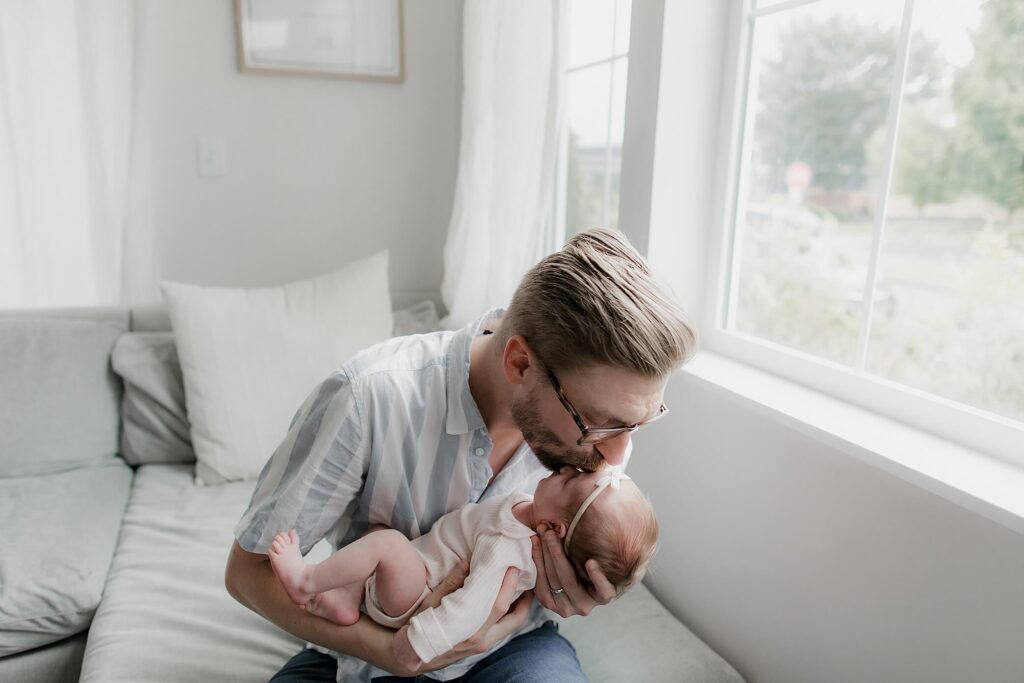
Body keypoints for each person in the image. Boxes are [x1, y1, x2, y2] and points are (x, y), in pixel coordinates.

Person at [225, 228, 697, 681]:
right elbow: (247, 574)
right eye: (600, 423)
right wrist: (389, 652)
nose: (617, 454)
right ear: (519, 364)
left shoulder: (598, 452)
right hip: (366, 648)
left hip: (510, 651)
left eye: (640, 420)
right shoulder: (367, 398)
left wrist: (567, 591)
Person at [267, 466, 657, 672]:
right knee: (379, 532)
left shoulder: (508, 547)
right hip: (418, 573)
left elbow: (472, 606)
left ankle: (306, 581)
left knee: (386, 545)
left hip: (418, 595)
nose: (568, 468)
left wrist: (415, 644)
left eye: (571, 480)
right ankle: (344, 601)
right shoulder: (532, 512)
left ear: (554, 529)